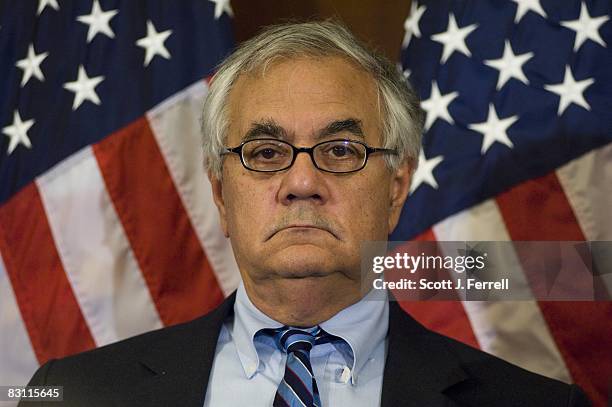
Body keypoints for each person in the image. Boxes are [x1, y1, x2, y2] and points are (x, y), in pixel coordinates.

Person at [22, 21, 590, 407]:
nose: (301, 183)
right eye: (265, 153)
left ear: (395, 188)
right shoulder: (71, 394)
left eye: (341, 151)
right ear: (220, 193)